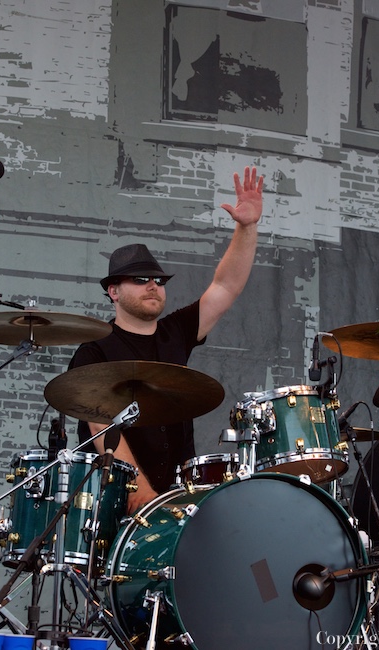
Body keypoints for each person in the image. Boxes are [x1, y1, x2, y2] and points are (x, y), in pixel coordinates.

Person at [68, 166, 264, 514]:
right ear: (113, 291)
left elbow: (226, 286)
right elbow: (100, 424)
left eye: (158, 280)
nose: (153, 285)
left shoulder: (177, 331)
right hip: (114, 499)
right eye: (141, 278)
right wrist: (138, 488)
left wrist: (246, 227)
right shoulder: (95, 350)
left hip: (176, 495)